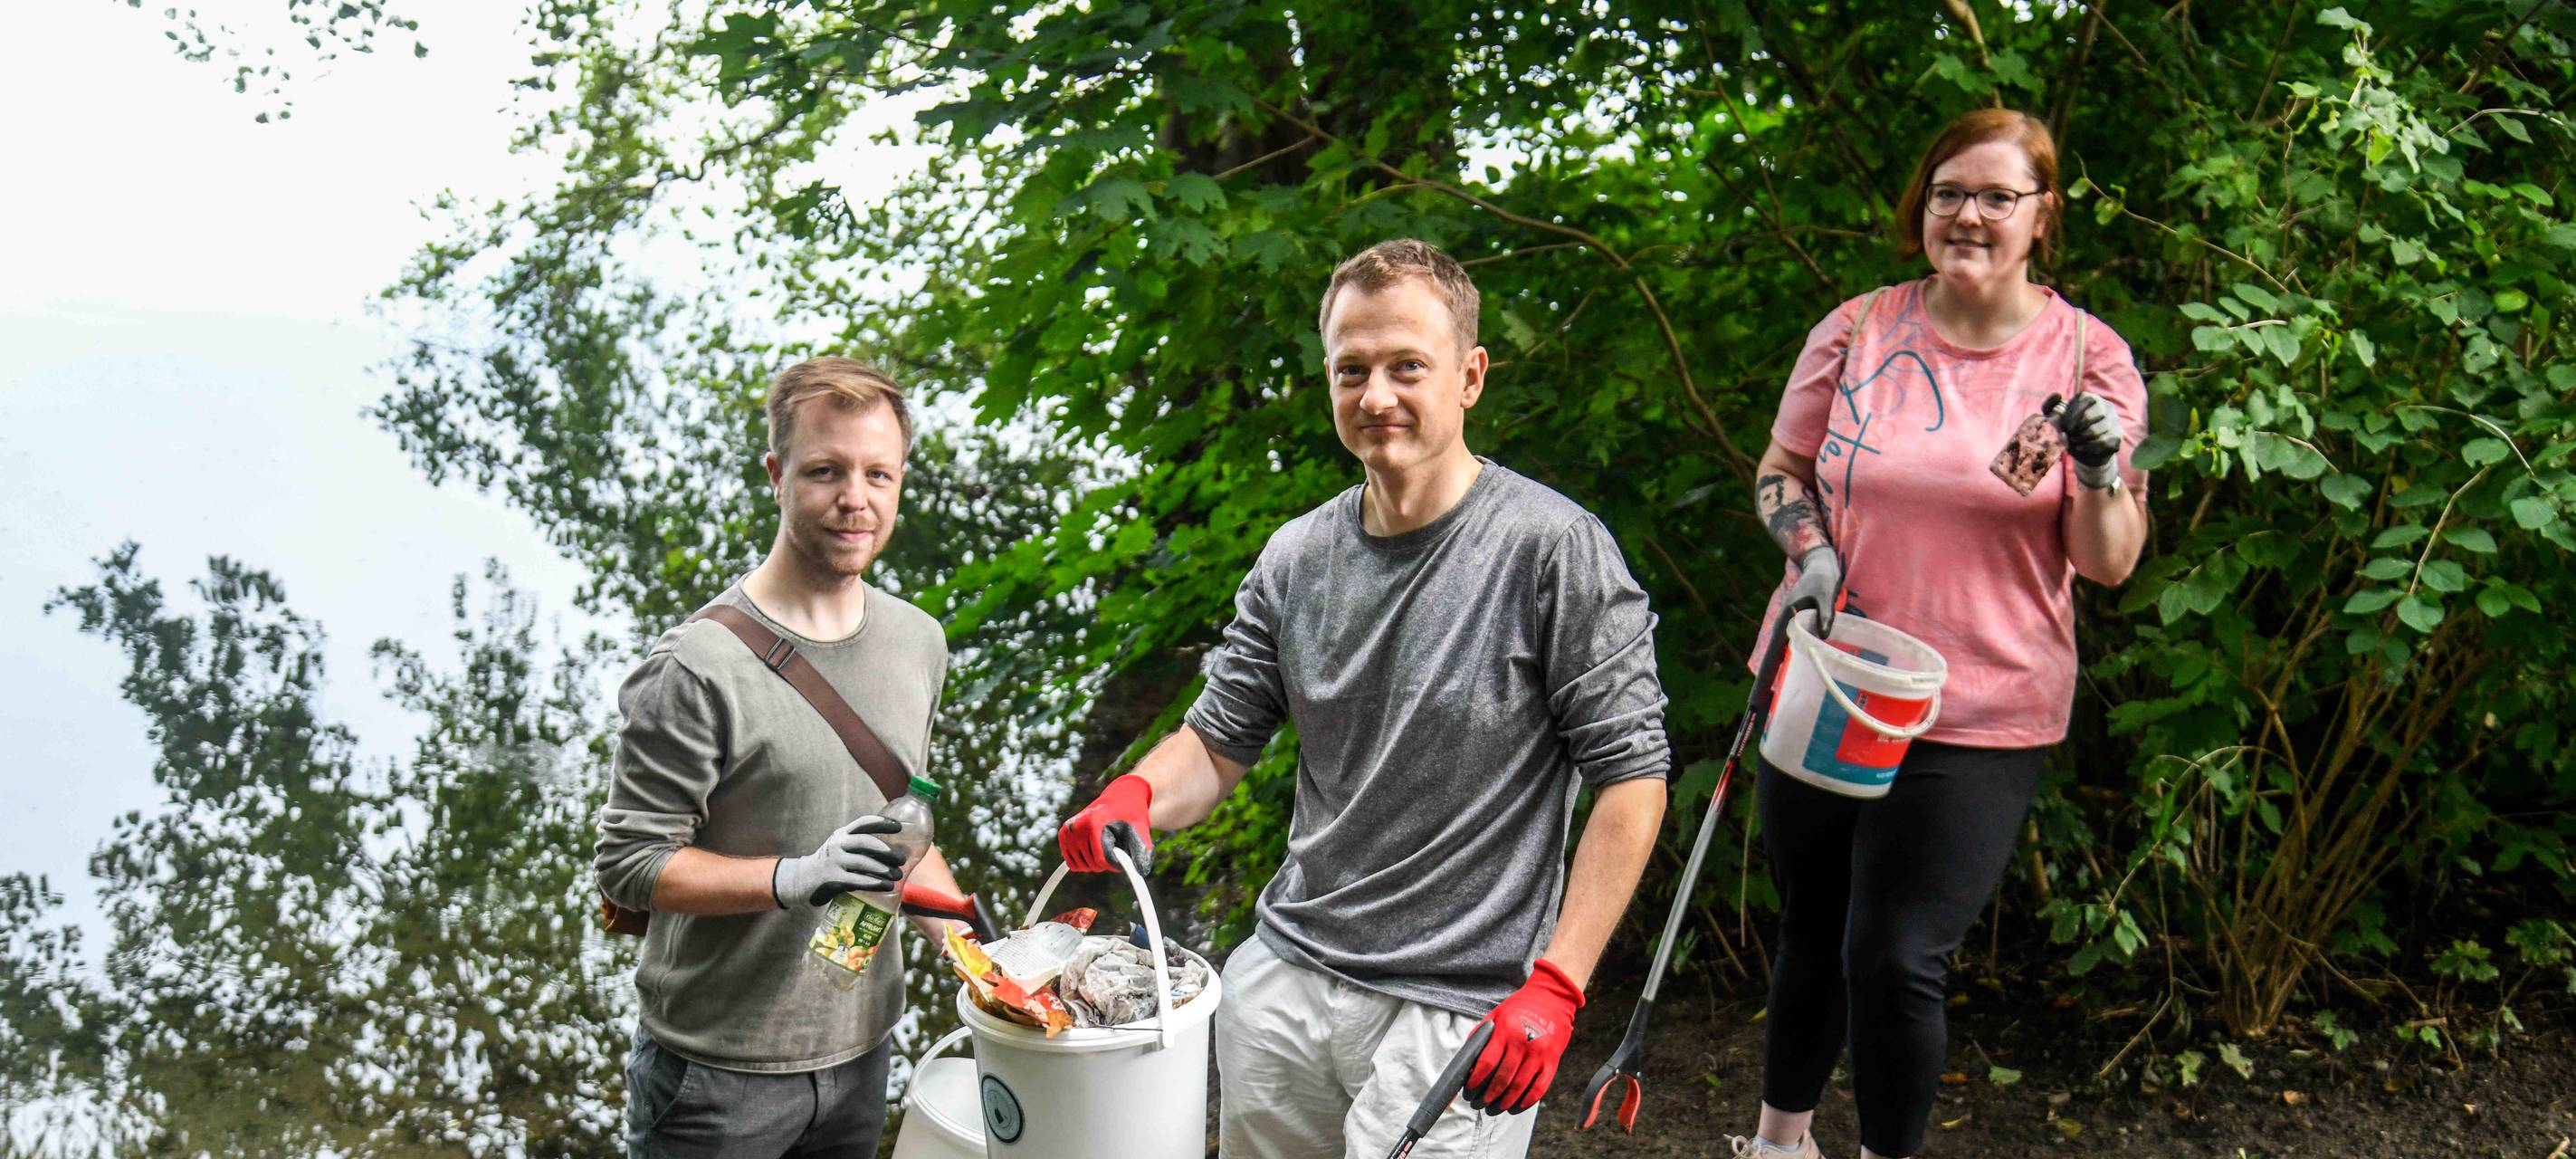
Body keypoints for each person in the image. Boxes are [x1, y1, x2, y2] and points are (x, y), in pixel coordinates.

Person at [1056, 238, 1672, 1159]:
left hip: (1458, 1006)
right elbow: (1218, 741)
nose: (1374, 393)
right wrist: (1136, 791)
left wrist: (1558, 983)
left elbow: (1634, 780)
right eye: (1351, 368)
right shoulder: (1296, 558)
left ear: (1468, 376)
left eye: (1405, 366)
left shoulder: (1553, 549)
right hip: (1284, 980)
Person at [1727, 110, 2150, 1159]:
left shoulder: (2086, 357)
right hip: (1828, 675)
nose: (1965, 215)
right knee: (1813, 929)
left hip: (1980, 703)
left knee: (1893, 953)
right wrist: (1809, 551)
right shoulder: (1856, 326)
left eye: (1995, 197)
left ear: (2041, 216)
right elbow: (1780, 471)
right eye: (1946, 192)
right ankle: (1779, 1142)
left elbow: (2106, 560)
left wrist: (2095, 471)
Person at [595, 357, 970, 1158]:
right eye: (826, 472)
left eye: (879, 474)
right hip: (713, 1078)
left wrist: (977, 953)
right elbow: (629, 864)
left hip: (864, 1053)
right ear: (776, 474)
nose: (855, 500)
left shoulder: (918, 643)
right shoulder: (697, 666)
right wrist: (796, 877)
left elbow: (905, 835)